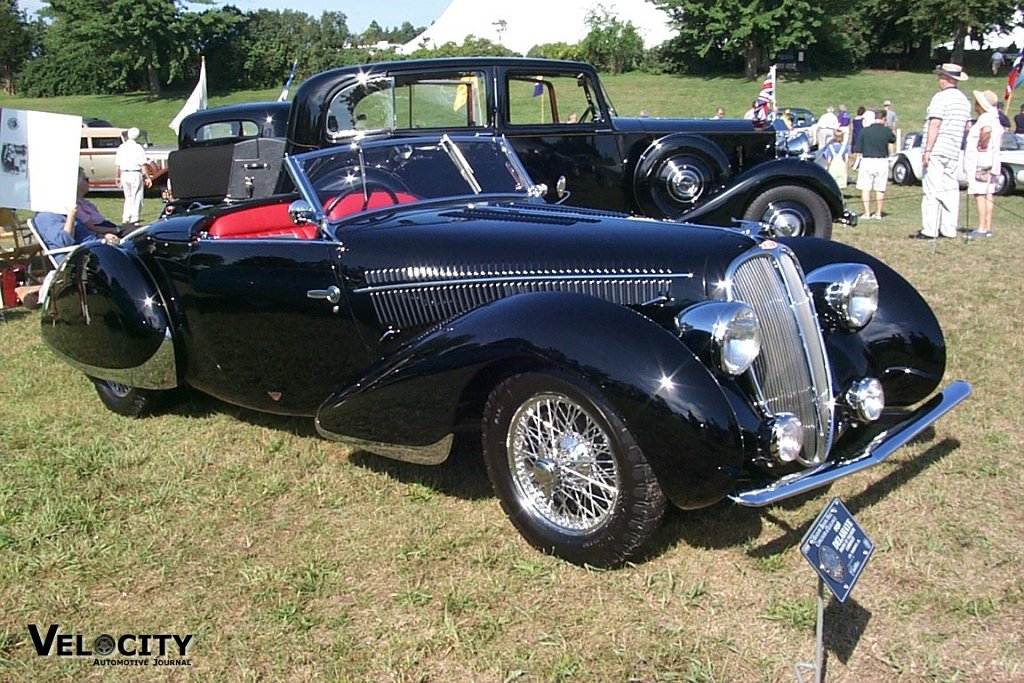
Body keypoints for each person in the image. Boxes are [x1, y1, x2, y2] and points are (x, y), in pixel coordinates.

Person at [915, 63, 971, 240]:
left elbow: (935, 123)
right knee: (950, 189)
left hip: (938, 148)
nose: (939, 79)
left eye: (941, 76)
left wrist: (928, 149)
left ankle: (930, 229)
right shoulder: (964, 100)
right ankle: (949, 228)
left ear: (947, 79)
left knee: (932, 189)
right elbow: (967, 126)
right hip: (953, 149)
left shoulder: (940, 98)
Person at [34, 168, 120, 264]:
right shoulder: (46, 216)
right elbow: (64, 242)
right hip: (78, 258)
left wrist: (103, 236)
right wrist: (71, 216)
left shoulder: (61, 211)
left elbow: (84, 234)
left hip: (95, 248)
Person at [963, 89, 1004, 239]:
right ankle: (987, 227)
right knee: (988, 193)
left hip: (982, 162)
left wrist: (981, 142)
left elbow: (986, 131)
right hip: (991, 161)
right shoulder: (995, 117)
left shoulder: (985, 118)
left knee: (980, 194)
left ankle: (981, 228)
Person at [852, 110, 896, 218]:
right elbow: (893, 139)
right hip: (881, 161)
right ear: (884, 119)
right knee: (880, 188)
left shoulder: (865, 131)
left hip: (867, 160)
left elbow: (857, 148)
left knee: (865, 187)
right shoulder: (886, 131)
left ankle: (867, 213)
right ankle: (878, 213)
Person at [114, 127, 152, 225]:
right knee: (137, 196)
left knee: (128, 197)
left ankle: (126, 217)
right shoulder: (138, 147)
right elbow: (143, 164)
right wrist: (148, 177)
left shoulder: (122, 147)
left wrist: (117, 177)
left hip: (124, 173)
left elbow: (117, 164)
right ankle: (135, 218)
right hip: (135, 173)